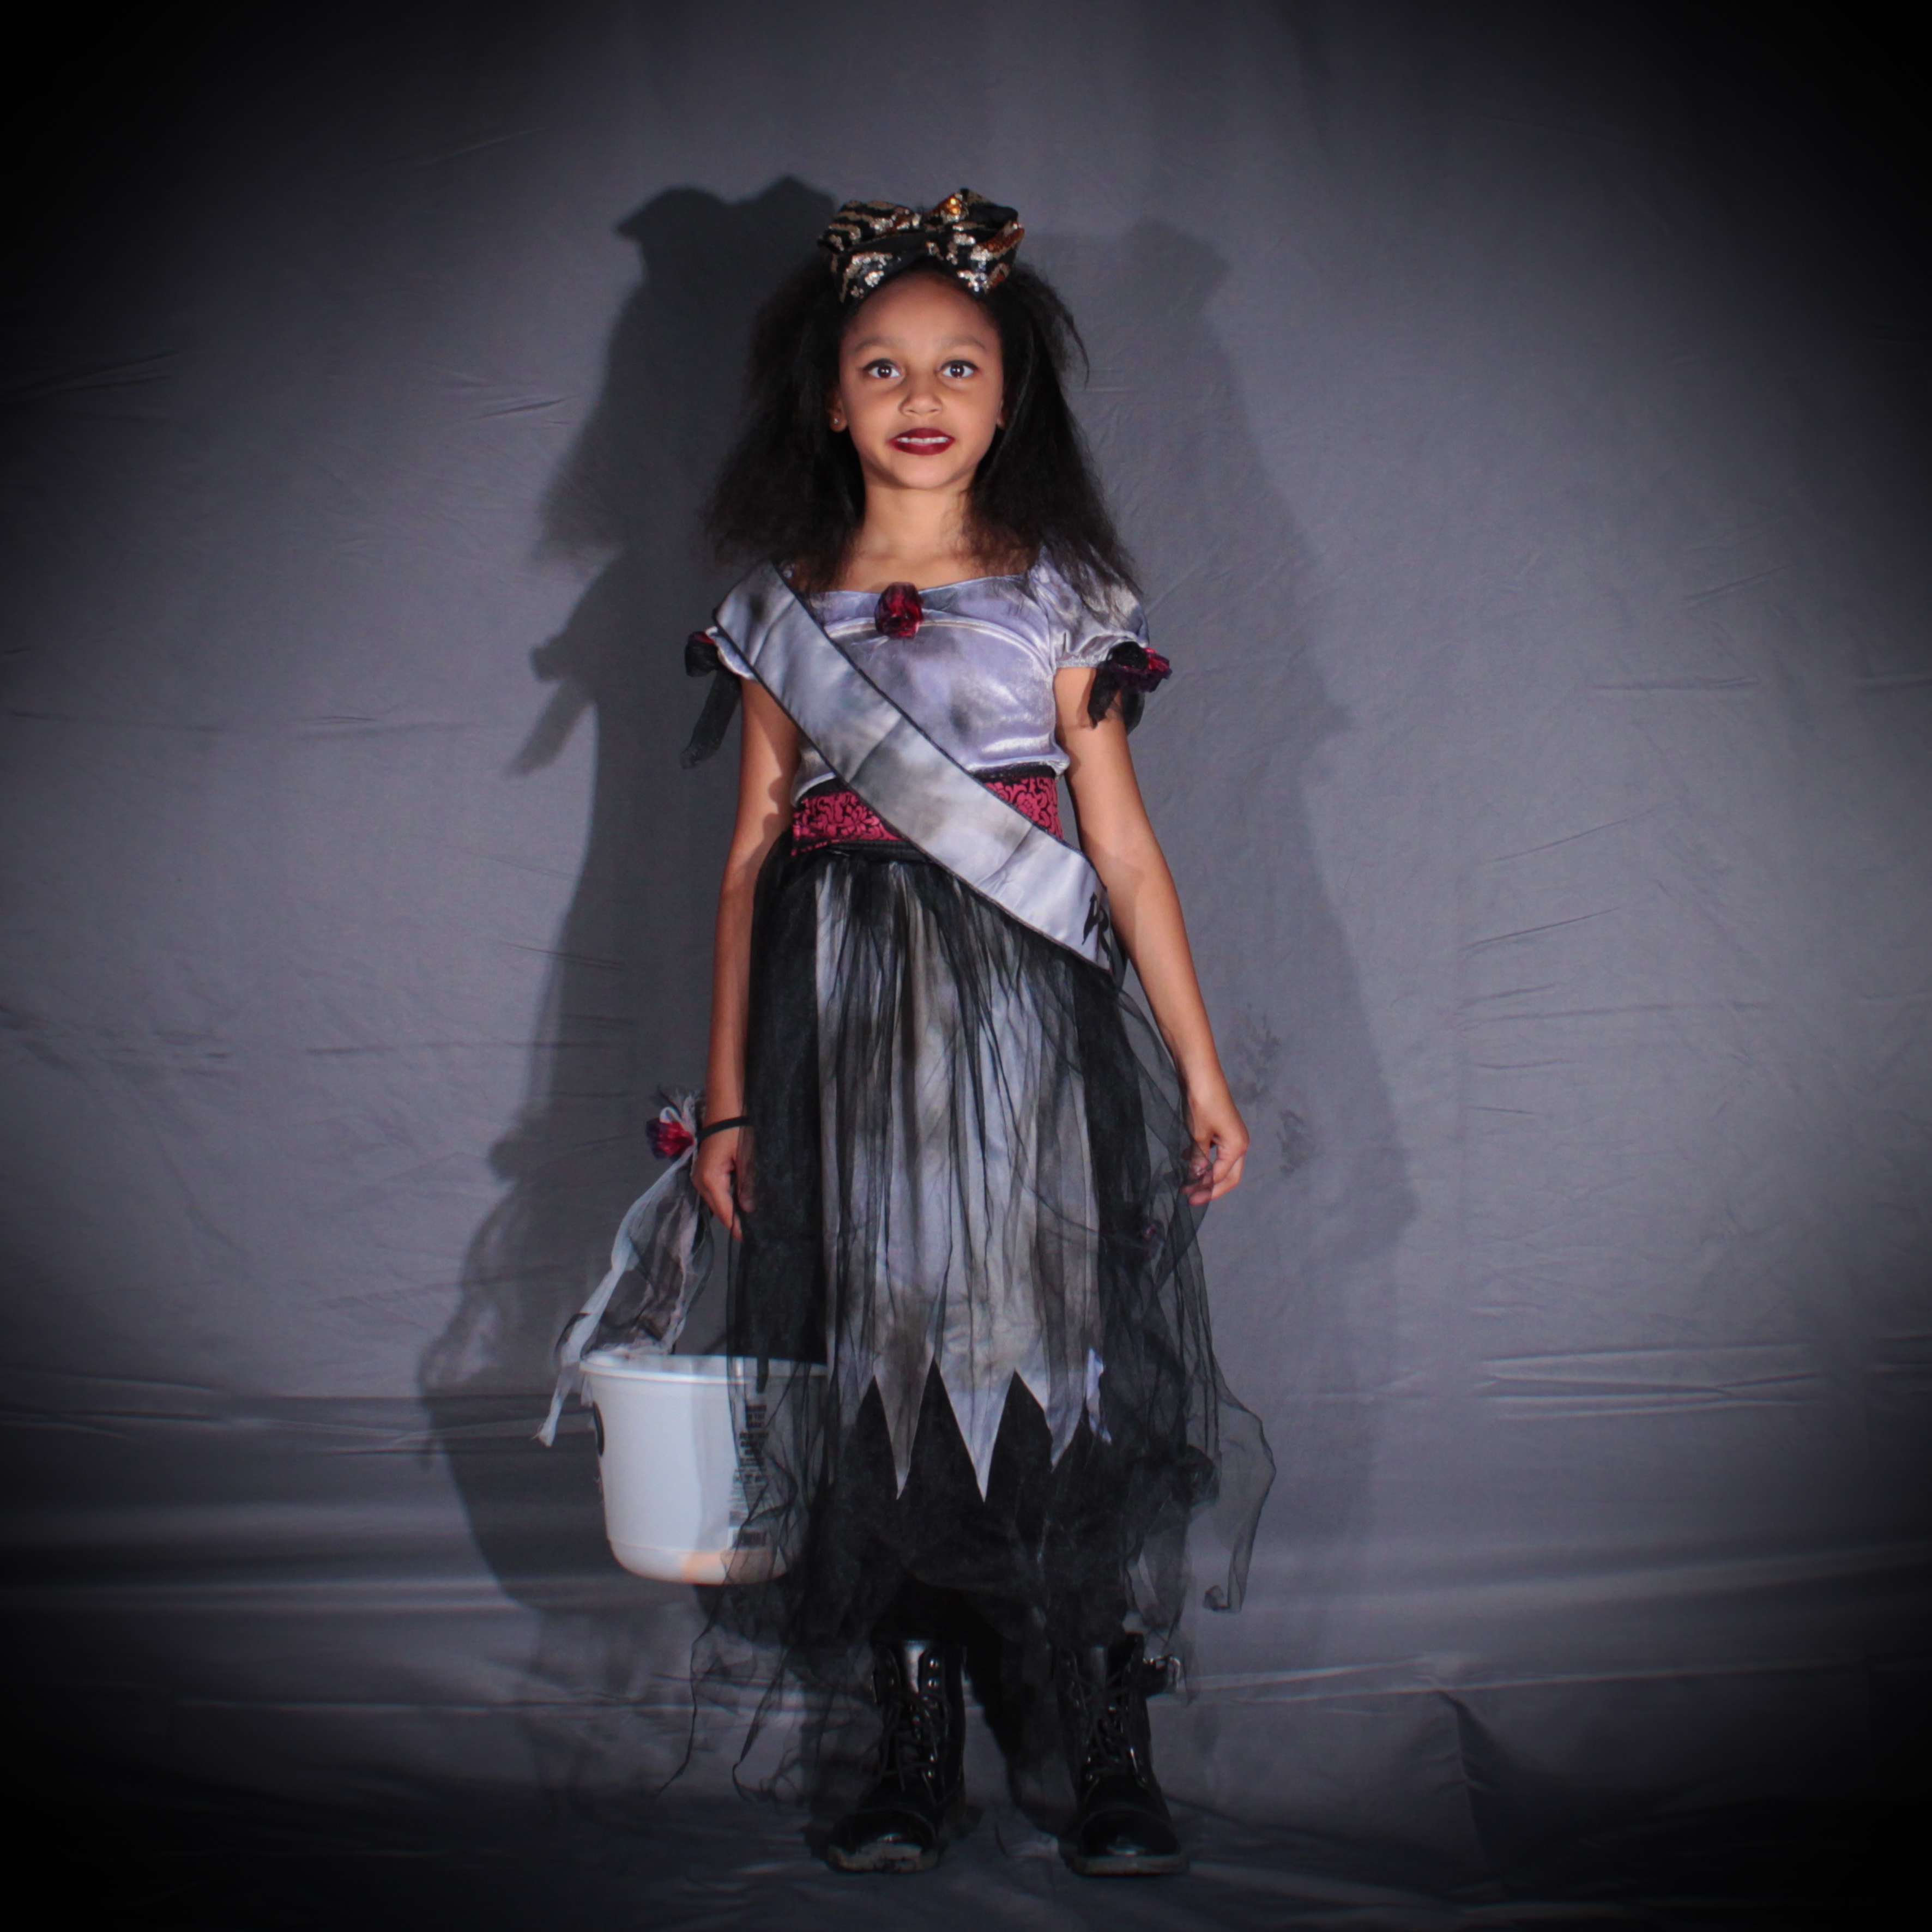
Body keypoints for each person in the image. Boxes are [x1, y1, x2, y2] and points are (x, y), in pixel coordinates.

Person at [680, 190, 1271, 1876]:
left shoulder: (1059, 599)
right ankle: (914, 1740)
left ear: (1011, 401)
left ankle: (1103, 1734)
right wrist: (727, 1104)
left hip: (1025, 1041)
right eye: (882, 364)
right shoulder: (782, 612)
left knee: (1049, 1363)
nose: (921, 393)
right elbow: (749, 860)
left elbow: (1126, 855)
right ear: (830, 397)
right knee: (877, 1367)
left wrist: (1203, 1072)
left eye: (959, 364)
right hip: (845, 1045)